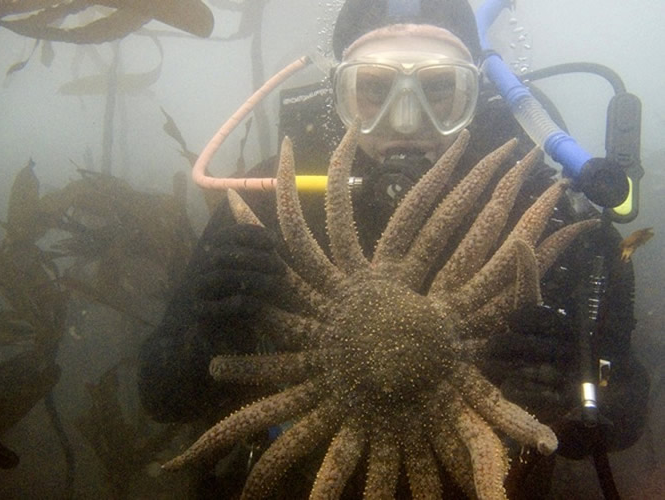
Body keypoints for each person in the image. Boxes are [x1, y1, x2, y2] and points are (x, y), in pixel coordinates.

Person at [138, 0, 649, 497]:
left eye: (440, 87)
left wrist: (570, 395)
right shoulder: (270, 202)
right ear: (339, 93)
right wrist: (205, 338)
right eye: (374, 88)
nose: (406, 120)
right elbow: (162, 395)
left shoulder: (551, 214)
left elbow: (622, 421)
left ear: (478, 94)